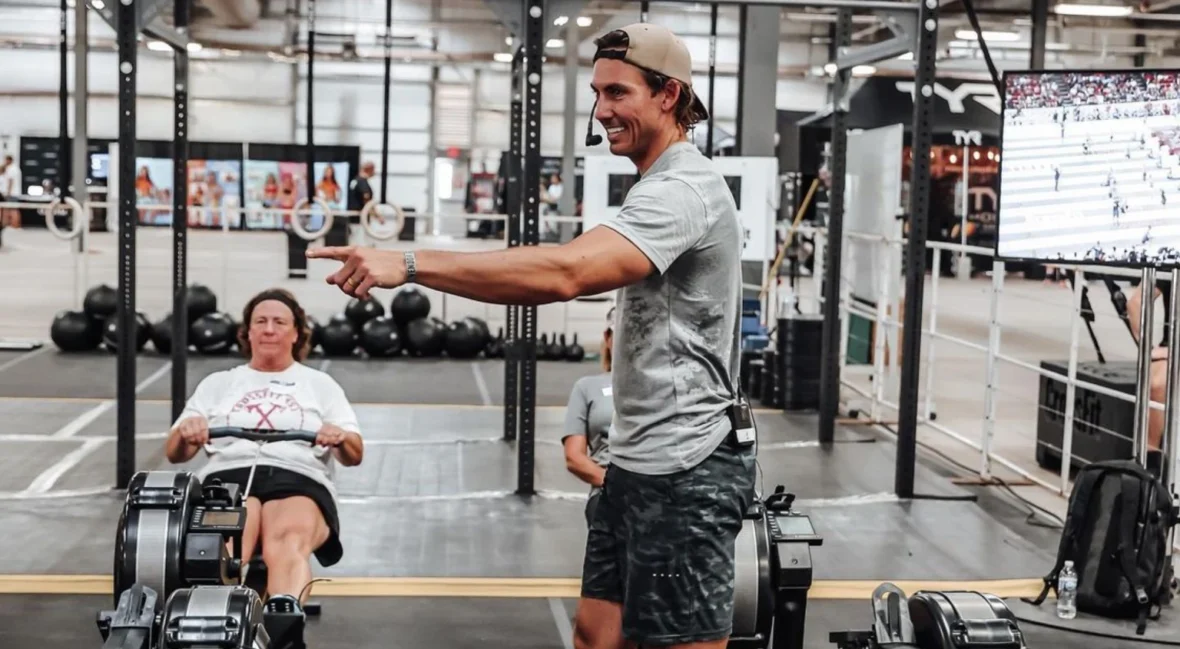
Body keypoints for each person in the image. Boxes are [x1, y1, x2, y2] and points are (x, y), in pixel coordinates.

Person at [309, 22, 753, 649]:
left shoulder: (684, 188)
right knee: (597, 636)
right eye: (598, 94)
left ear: (669, 95)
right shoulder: (655, 183)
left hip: (687, 468)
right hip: (633, 459)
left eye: (618, 93)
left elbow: (567, 271)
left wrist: (408, 264)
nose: (602, 112)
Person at [164, 288, 365, 615]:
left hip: (297, 475)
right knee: (228, 546)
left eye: (279, 322)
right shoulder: (219, 383)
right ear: (248, 332)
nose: (270, 329)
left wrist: (339, 436)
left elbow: (354, 454)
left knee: (285, 542)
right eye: (261, 321)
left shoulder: (319, 384)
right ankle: (213, 622)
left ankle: (282, 619)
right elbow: (175, 452)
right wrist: (188, 431)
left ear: (296, 332)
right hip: (228, 476)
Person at [562, 306, 615, 527]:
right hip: (609, 493)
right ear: (608, 338)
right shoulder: (588, 387)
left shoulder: (661, 385)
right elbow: (574, 457)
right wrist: (615, 485)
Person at [1128, 278, 1172, 464]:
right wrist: (1149, 349)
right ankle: (1150, 460)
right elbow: (1134, 303)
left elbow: (1135, 303)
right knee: (1156, 386)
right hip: (1171, 349)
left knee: (1156, 386)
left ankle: (1148, 464)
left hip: (1171, 349)